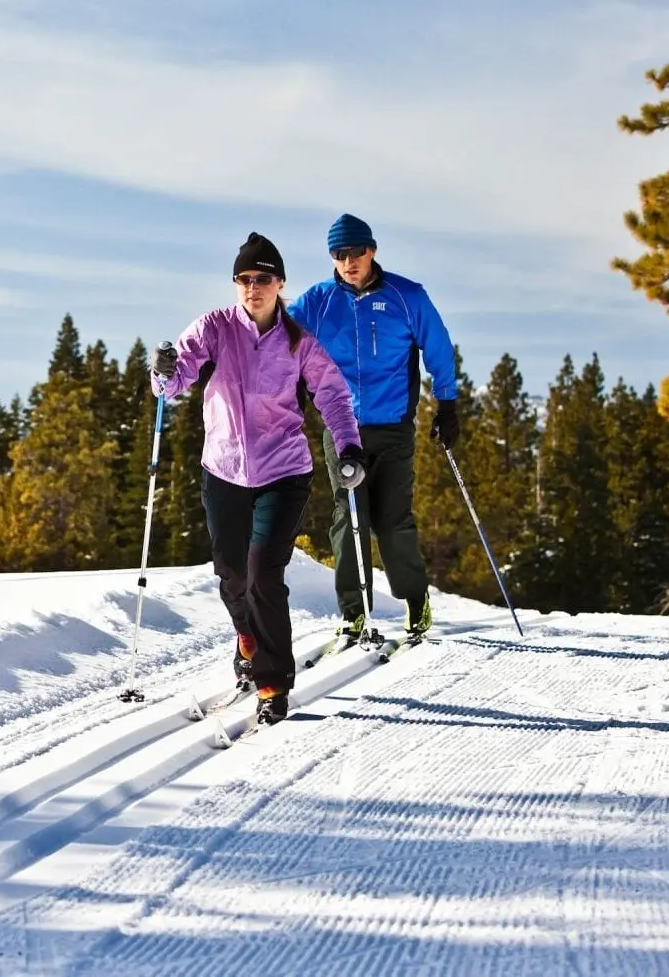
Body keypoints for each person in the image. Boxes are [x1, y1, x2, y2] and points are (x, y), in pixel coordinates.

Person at [151, 232, 363, 726]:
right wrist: (162, 370)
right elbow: (177, 377)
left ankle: (272, 683)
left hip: (283, 471)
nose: (252, 287)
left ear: (279, 283)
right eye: (244, 279)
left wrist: (349, 444)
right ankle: (245, 636)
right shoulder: (215, 327)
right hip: (224, 469)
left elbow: (331, 394)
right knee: (232, 574)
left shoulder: (297, 341)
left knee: (264, 570)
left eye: (262, 278)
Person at [287, 213, 459, 643]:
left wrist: (448, 403)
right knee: (349, 518)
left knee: (392, 520)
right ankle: (353, 612)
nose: (348, 261)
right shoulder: (318, 301)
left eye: (355, 252)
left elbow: (438, 346)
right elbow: (275, 337)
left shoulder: (407, 296)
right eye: (339, 254)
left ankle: (414, 599)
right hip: (341, 428)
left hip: (395, 426)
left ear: (372, 250)